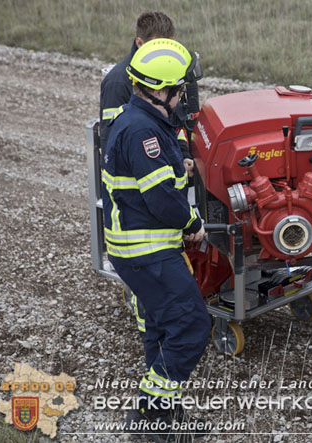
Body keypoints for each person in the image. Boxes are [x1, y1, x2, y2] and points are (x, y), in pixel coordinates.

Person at [100, 38, 210, 435]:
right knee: (194, 326)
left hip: (138, 247)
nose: (184, 96)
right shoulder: (143, 132)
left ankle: (162, 417)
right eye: (181, 89)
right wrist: (193, 223)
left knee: (162, 327)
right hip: (147, 250)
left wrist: (177, 163)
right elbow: (163, 199)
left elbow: (157, 177)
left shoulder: (140, 120)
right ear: (162, 91)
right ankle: (151, 414)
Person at [99, 11, 195, 336]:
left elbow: (177, 121)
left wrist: (182, 155)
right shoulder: (117, 83)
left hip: (164, 181)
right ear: (139, 44)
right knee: (147, 275)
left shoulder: (169, 74)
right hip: (139, 193)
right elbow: (118, 142)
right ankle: (152, 336)